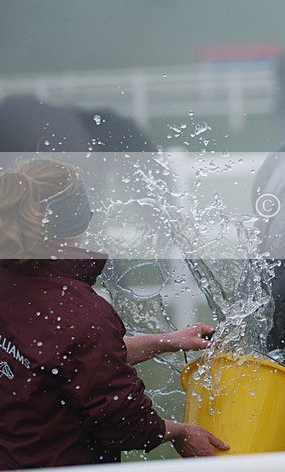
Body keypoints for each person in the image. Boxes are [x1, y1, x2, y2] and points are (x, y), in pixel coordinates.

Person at [0, 158, 229, 469]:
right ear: (78, 218)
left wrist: (168, 341)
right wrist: (181, 431)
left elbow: (59, 359)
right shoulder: (78, 311)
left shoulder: (14, 284)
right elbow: (123, 419)